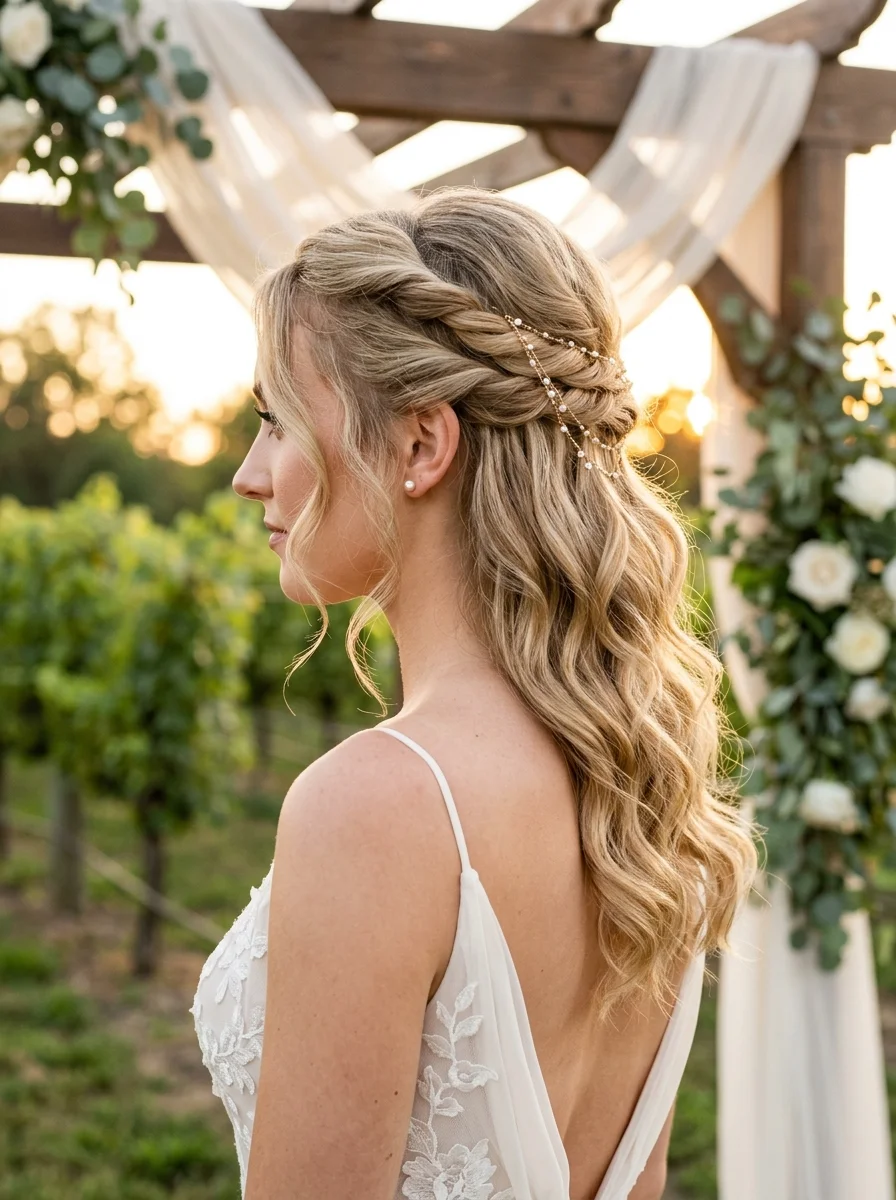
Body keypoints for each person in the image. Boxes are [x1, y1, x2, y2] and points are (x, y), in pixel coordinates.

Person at [195, 188, 756, 1200]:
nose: (248, 474)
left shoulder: (377, 806)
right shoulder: (637, 781)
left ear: (420, 445)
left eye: (275, 421)